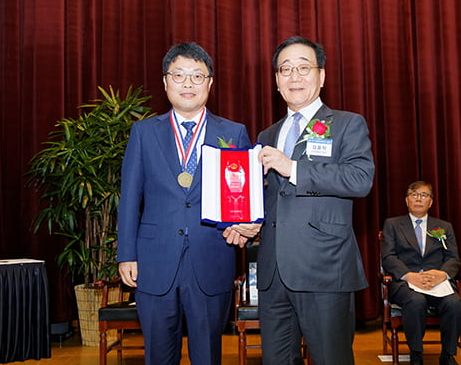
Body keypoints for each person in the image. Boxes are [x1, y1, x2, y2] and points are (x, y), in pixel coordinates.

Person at [227, 36, 375, 365]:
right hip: (272, 272)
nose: (295, 77)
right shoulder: (267, 134)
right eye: (285, 69)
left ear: (321, 76)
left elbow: (360, 179)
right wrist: (252, 222)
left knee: (330, 359)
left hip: (324, 268)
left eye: (304, 68)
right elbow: (271, 198)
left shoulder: (348, 124)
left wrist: (292, 167)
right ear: (277, 80)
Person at [117, 42, 252, 365]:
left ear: (210, 83)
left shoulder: (233, 133)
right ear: (165, 82)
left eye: (197, 76)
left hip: (211, 259)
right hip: (153, 262)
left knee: (207, 355)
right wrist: (126, 255)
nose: (188, 84)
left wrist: (246, 225)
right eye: (179, 75)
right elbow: (130, 197)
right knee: (159, 356)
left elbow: (243, 198)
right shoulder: (144, 132)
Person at [381, 181, 461, 365]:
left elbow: (453, 259)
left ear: (431, 202)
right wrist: (409, 276)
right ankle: (416, 354)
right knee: (416, 301)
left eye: (424, 195)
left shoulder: (444, 226)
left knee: (454, 304)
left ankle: (448, 355)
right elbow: (388, 257)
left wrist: (442, 275)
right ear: (406, 200)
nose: (419, 198)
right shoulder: (393, 224)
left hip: (437, 282)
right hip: (406, 283)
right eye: (414, 194)